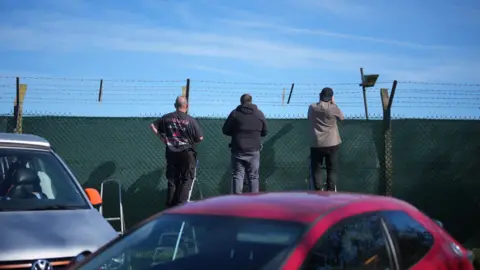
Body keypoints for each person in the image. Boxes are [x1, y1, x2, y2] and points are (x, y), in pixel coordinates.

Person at [150, 96, 204, 208]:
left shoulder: (166, 118)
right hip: (187, 152)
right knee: (187, 178)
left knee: (172, 179)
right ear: (187, 106)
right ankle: (181, 205)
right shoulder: (191, 120)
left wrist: (163, 139)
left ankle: (170, 206)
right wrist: (191, 142)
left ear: (175, 105)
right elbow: (200, 138)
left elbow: (153, 126)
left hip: (171, 152)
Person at [222, 94, 268, 194]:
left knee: (238, 175)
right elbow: (265, 131)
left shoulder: (235, 114)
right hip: (254, 150)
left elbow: (225, 130)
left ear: (241, 102)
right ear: (251, 101)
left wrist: (235, 132)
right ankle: (254, 202)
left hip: (238, 149)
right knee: (253, 176)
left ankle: (236, 202)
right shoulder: (259, 114)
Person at [308, 87, 344, 191]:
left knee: (316, 169)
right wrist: (334, 103)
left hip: (317, 143)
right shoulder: (333, 108)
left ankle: (318, 190)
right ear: (331, 97)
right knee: (331, 169)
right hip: (332, 143)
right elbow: (341, 117)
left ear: (320, 95)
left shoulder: (312, 107)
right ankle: (331, 190)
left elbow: (309, 117)